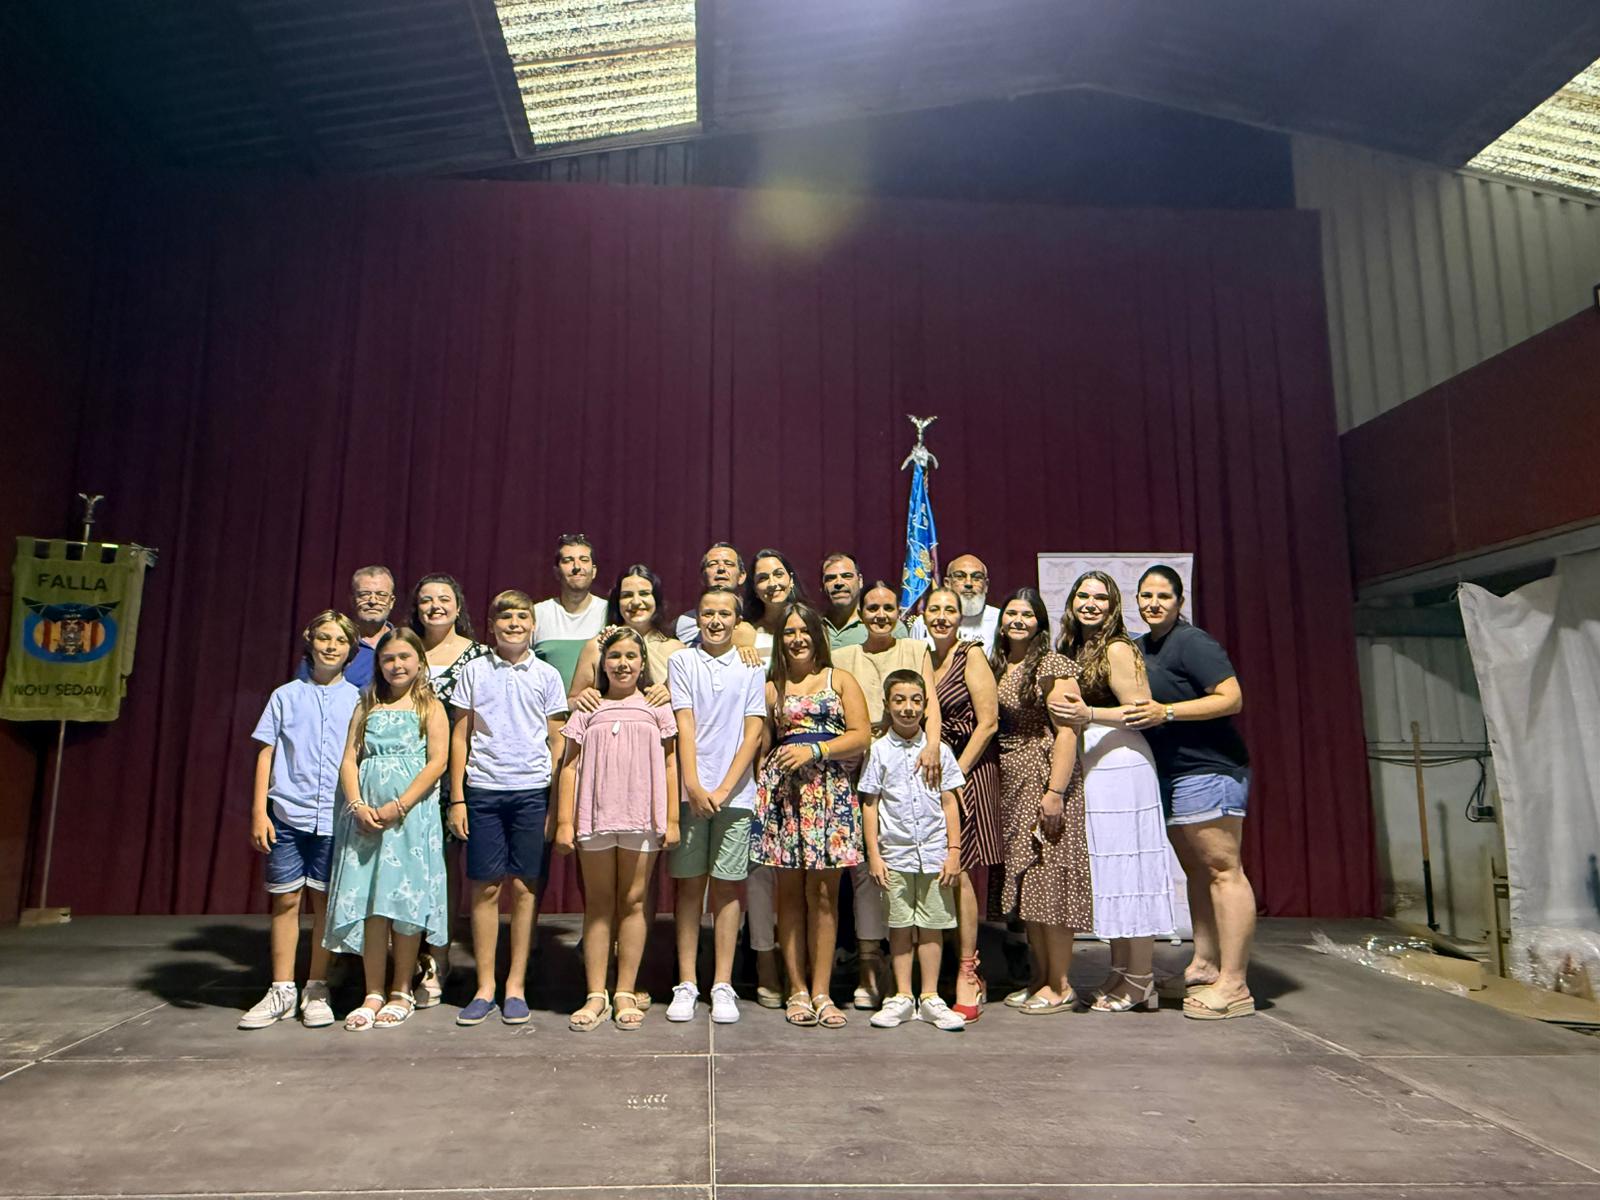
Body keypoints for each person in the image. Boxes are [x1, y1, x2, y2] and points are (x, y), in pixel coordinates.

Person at [1130, 564, 1255, 1020]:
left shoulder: (1192, 642)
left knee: (1223, 870)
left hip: (1209, 769)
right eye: (1146, 596)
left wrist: (1167, 711)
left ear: (1180, 602)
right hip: (1171, 773)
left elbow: (1231, 697)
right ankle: (1205, 965)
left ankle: (1235, 984)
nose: (1154, 603)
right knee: (1198, 873)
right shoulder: (1141, 646)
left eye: (1163, 596)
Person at [1050, 571, 1172, 1012]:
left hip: (1123, 764)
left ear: (1113, 605)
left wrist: (1089, 713)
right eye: (1083, 595)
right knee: (1113, 874)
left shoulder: (1118, 647)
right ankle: (1121, 971)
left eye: (1100, 597)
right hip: (1095, 767)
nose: (1090, 603)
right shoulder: (1073, 648)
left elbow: (1141, 711)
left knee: (1131, 872)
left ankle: (1141, 979)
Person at [447, 589, 570, 1027]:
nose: (514, 624)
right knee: (484, 888)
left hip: (532, 792)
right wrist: (458, 797)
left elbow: (557, 741)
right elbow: (459, 736)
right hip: (483, 791)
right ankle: (485, 986)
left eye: (521, 617)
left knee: (524, 888)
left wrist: (555, 803)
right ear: (492, 625)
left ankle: (515, 984)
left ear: (532, 625)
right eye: (505, 617)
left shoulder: (547, 675)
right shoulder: (474, 671)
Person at [239, 610, 362, 1030]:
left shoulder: (358, 700)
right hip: (288, 814)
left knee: (324, 903)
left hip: (335, 819)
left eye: (340, 641)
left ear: (351, 650)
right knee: (286, 899)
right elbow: (266, 753)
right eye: (324, 638)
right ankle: (281, 988)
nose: (331, 646)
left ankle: (316, 986)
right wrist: (259, 811)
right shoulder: (285, 696)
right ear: (310, 641)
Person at [554, 626, 680, 1031]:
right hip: (595, 819)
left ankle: (625, 989)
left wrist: (672, 819)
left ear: (643, 663)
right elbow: (569, 766)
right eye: (614, 656)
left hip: (642, 819)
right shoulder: (587, 708)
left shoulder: (657, 708)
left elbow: (671, 764)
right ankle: (596, 992)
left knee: (634, 900)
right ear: (602, 663)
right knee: (598, 903)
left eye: (630, 656)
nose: (622, 664)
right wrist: (564, 821)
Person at [323, 628, 449, 1030]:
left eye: (404, 657)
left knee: (404, 904)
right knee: (372, 906)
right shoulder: (366, 704)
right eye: (388, 658)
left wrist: (400, 805)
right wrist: (357, 804)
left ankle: (401, 991)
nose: (396, 665)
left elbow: (438, 762)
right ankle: (373, 991)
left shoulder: (431, 707)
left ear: (420, 662)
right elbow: (349, 759)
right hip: (367, 822)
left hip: (409, 820)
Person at [753, 603, 871, 1029]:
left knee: (823, 895)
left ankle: (822, 991)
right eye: (789, 632)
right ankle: (797, 988)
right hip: (785, 797)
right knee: (788, 895)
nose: (797, 639)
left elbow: (861, 735)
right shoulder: (773, 687)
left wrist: (816, 750)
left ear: (818, 636)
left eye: (804, 631)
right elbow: (764, 745)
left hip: (829, 793)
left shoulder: (840, 680)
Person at [833, 583, 944, 1009]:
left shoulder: (915, 649)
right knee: (864, 867)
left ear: (899, 612)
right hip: (858, 765)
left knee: (903, 864)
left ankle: (909, 975)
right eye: (872, 608)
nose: (880, 614)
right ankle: (867, 962)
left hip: (910, 761)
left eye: (888, 607)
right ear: (861, 614)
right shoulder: (844, 656)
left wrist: (932, 746)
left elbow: (930, 704)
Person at [663, 586, 767, 1024]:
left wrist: (724, 790)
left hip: (736, 796)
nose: (716, 621)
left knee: (727, 889)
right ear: (698, 617)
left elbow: (753, 732)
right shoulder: (682, 662)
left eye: (725, 613)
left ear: (737, 620)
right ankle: (687, 982)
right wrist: (693, 784)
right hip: (692, 794)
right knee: (690, 888)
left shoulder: (752, 666)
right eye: (708, 613)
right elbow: (683, 724)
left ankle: (722, 983)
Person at [991, 588, 1092, 1014]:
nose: (1018, 619)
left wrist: (1055, 793)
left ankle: (1061, 983)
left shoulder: (1052, 664)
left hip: (1044, 778)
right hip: (1013, 781)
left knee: (1051, 881)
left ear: (1040, 623)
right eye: (1011, 612)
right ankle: (1039, 978)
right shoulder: (1000, 663)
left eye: (1027, 614)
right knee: (1029, 885)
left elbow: (1068, 731)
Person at [861, 670, 967, 1031]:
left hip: (934, 853)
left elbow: (950, 802)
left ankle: (931, 997)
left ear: (925, 706)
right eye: (900, 700)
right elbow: (871, 804)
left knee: (933, 925)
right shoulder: (878, 751)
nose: (908, 708)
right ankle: (903, 996)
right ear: (887, 704)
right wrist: (874, 855)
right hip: (895, 854)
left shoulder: (940, 751)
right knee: (900, 925)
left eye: (916, 700)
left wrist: (953, 851)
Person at [409, 573, 491, 1008]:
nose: (435, 606)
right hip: (407, 776)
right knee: (410, 868)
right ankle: (404, 958)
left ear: (458, 607)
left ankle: (437, 959)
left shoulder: (479, 657)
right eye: (427, 600)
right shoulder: (404, 650)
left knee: (444, 870)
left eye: (444, 599)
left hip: (458, 778)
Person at [923, 585, 1004, 1020]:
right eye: (934, 609)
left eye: (949, 609)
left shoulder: (971, 654)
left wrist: (956, 775)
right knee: (936, 868)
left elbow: (988, 723)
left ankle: (969, 971)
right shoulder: (920, 655)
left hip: (967, 770)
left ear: (961, 616)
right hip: (930, 775)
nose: (941, 616)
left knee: (964, 871)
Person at [740, 549, 811, 1001]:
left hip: (803, 760)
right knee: (760, 867)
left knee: (800, 874)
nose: (772, 583)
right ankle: (764, 958)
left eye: (778, 574)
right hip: (752, 755)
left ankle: (799, 966)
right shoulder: (745, 630)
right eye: (762, 577)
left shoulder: (808, 626)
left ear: (791, 576)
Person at [568, 564, 685, 704]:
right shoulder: (596, 646)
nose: (636, 602)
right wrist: (581, 699)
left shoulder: (677, 650)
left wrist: (672, 694)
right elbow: (570, 702)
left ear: (656, 599)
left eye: (644, 594)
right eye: (627, 595)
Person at [298, 565, 395, 689]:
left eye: (381, 595)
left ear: (391, 602)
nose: (373, 601)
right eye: (364, 594)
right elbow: (302, 693)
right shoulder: (330, 645)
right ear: (352, 600)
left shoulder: (406, 643)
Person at [533, 535, 607, 691]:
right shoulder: (537, 614)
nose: (577, 566)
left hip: (598, 706)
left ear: (594, 571)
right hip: (546, 706)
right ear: (556, 572)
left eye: (584, 560)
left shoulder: (609, 612)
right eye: (568, 561)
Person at [819, 553, 909, 648]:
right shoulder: (813, 627)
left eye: (847, 576)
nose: (839, 583)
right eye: (830, 578)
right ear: (822, 585)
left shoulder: (890, 627)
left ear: (860, 581)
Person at [908, 554, 1000, 647]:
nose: (968, 583)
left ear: (986, 585)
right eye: (960, 577)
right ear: (947, 583)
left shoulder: (998, 620)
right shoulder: (924, 623)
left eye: (977, 578)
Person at [674, 543, 755, 647]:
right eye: (713, 564)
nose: (721, 568)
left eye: (729, 564)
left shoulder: (757, 618)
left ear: (741, 576)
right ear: (703, 577)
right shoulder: (684, 622)